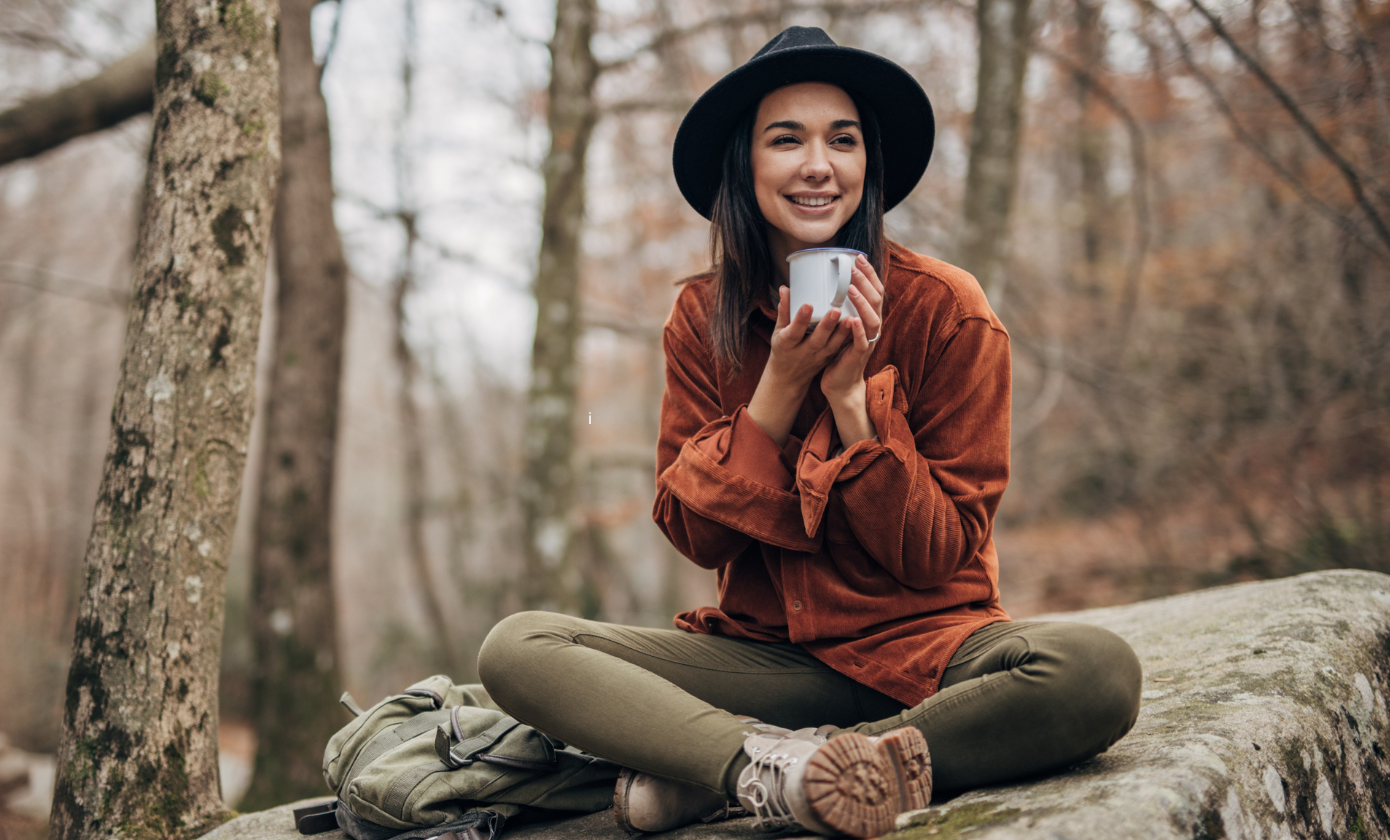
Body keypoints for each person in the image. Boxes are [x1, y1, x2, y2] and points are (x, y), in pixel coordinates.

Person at [478, 26, 1141, 839]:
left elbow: (941, 552)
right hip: (771, 662)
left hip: (932, 657)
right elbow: (694, 536)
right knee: (519, 648)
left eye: (843, 140)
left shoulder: (947, 310)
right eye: (785, 140)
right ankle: (767, 766)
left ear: (868, 166)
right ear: (745, 165)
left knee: (1095, 672)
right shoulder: (700, 319)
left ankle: (751, 772)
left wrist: (853, 403)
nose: (818, 165)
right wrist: (778, 391)